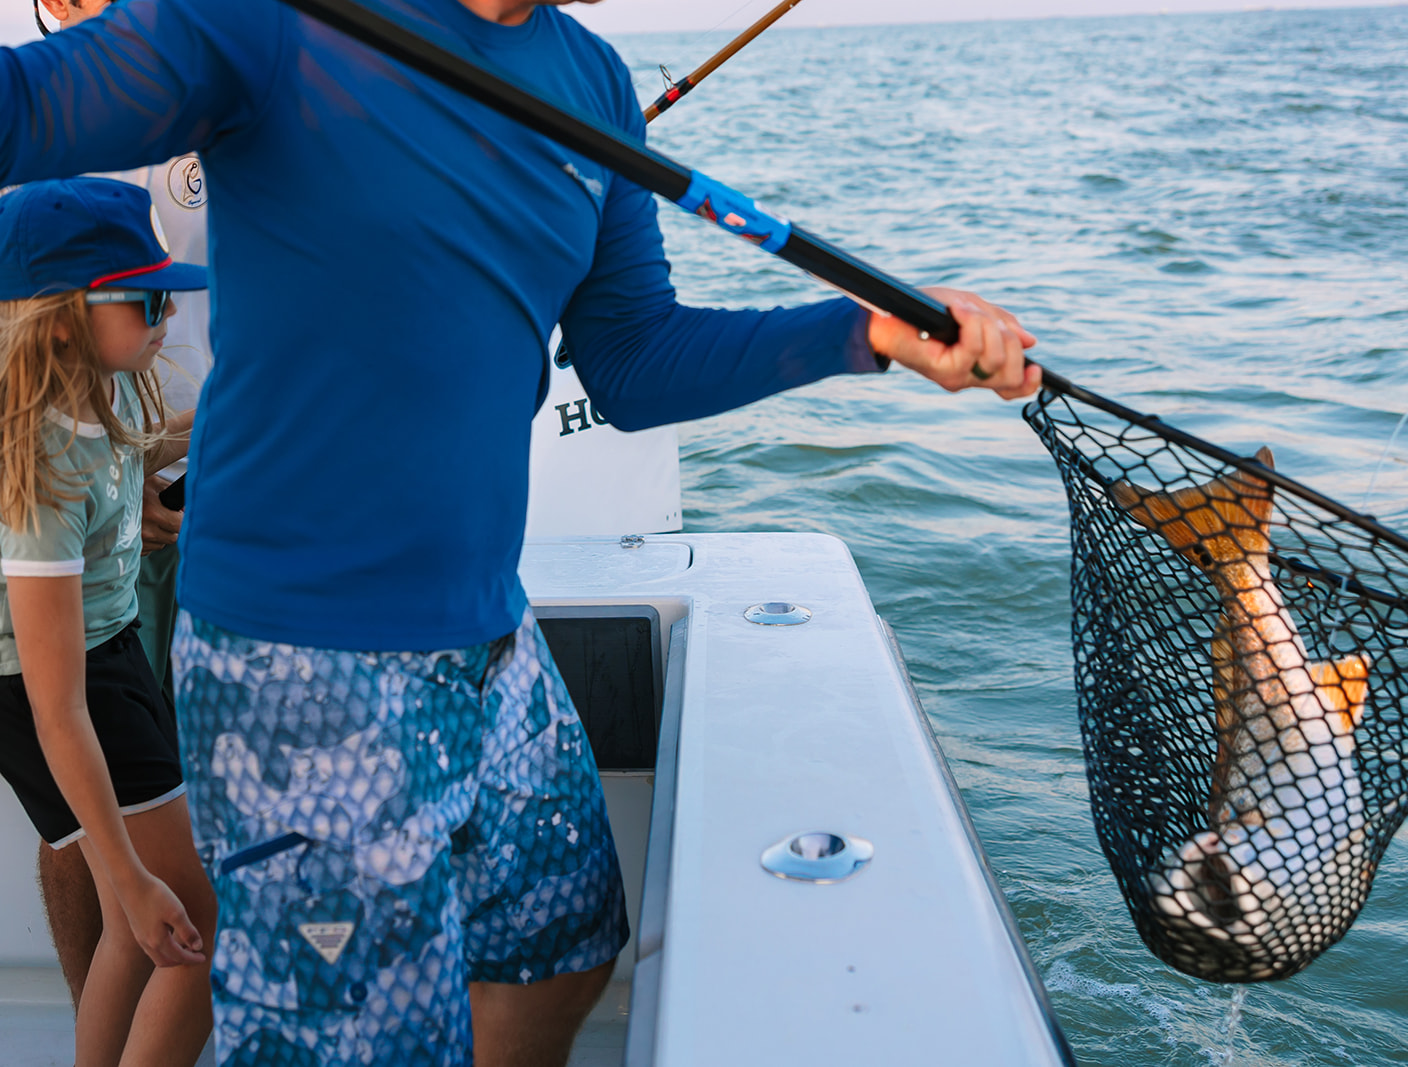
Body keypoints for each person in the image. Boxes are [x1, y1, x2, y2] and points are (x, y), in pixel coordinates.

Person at [0, 2, 1042, 1064]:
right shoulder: (268, 23)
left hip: (491, 632)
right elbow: (24, 107)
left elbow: (633, 358)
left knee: (564, 945)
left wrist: (861, 331)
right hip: (300, 662)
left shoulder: (588, 80)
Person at [23, 0, 217, 1014]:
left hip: (219, 478)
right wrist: (110, 474)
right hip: (86, 504)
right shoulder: (27, 111)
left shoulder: (212, 78)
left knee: (188, 790)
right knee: (81, 822)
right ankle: (101, 1013)